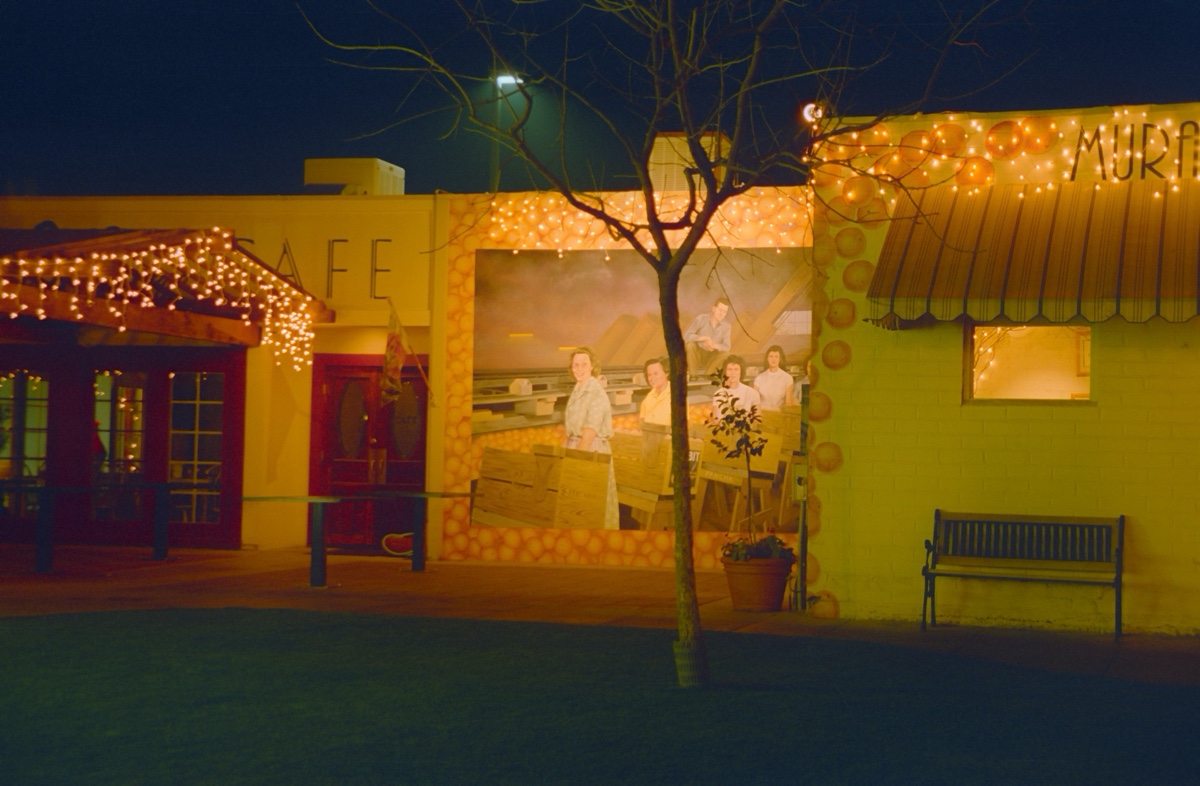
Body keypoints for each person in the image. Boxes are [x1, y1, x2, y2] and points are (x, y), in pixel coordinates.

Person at [564, 346, 614, 453]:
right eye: (576, 365)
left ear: (592, 366)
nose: (579, 369)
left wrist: (576, 458)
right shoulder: (577, 391)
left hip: (591, 449)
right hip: (574, 446)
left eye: (584, 365)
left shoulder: (596, 393)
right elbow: (569, 432)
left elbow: (588, 436)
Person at [683, 296, 731, 377]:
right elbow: (687, 336)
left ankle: (708, 375)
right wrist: (703, 338)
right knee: (690, 345)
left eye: (725, 312)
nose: (722, 314)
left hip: (712, 356)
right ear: (713, 309)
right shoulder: (701, 319)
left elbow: (727, 346)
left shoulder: (726, 326)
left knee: (726, 353)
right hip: (698, 354)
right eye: (720, 310)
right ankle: (693, 375)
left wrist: (714, 345)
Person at [753, 345, 795, 411]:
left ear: (780, 359)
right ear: (767, 359)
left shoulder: (788, 378)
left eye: (776, 356)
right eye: (771, 356)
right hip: (763, 414)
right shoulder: (758, 379)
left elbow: (788, 403)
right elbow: (755, 403)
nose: (773, 359)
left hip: (780, 415)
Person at [638, 357, 671, 428]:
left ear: (666, 373)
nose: (652, 378)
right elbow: (642, 424)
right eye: (649, 375)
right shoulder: (648, 398)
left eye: (656, 373)